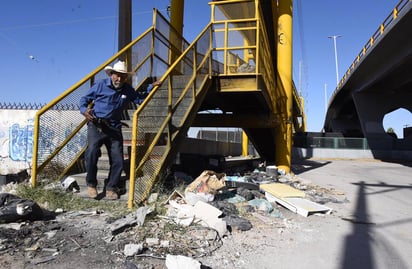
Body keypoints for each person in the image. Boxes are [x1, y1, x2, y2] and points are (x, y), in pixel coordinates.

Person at [79, 61, 161, 200]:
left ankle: (111, 187)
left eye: (122, 76)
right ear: (111, 74)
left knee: (117, 159)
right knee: (92, 153)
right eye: (117, 76)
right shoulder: (100, 85)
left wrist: (150, 88)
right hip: (96, 126)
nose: (119, 79)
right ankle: (91, 184)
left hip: (114, 127)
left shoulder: (127, 90)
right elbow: (84, 99)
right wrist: (84, 110)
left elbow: (139, 99)